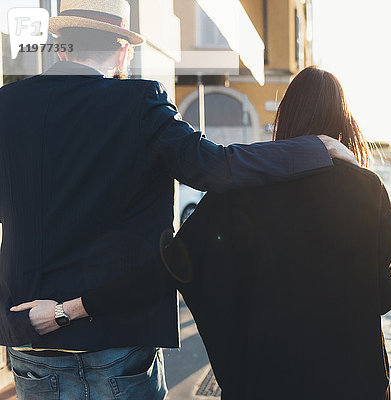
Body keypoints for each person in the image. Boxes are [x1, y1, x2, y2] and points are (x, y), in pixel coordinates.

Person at [0, 0, 354, 398]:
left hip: (31, 330)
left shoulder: (6, 104)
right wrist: (315, 148)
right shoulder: (138, 102)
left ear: (60, 48)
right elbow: (216, 167)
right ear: (123, 51)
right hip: (116, 331)